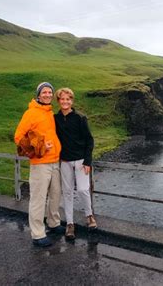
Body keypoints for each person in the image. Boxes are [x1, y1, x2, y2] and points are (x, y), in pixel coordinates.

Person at [14, 82, 65, 247]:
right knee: (38, 198)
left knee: (55, 195)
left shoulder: (49, 112)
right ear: (38, 94)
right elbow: (18, 137)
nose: (48, 94)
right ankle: (37, 234)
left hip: (55, 161)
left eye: (50, 92)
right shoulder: (31, 113)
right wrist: (38, 148)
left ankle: (53, 222)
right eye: (45, 92)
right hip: (40, 163)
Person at [54, 87, 96, 240]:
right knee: (67, 192)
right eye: (62, 99)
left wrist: (87, 161)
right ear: (58, 101)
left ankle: (89, 216)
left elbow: (89, 140)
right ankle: (70, 224)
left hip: (80, 161)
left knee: (83, 190)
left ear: (72, 101)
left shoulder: (80, 118)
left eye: (68, 99)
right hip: (64, 161)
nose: (65, 102)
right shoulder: (55, 118)